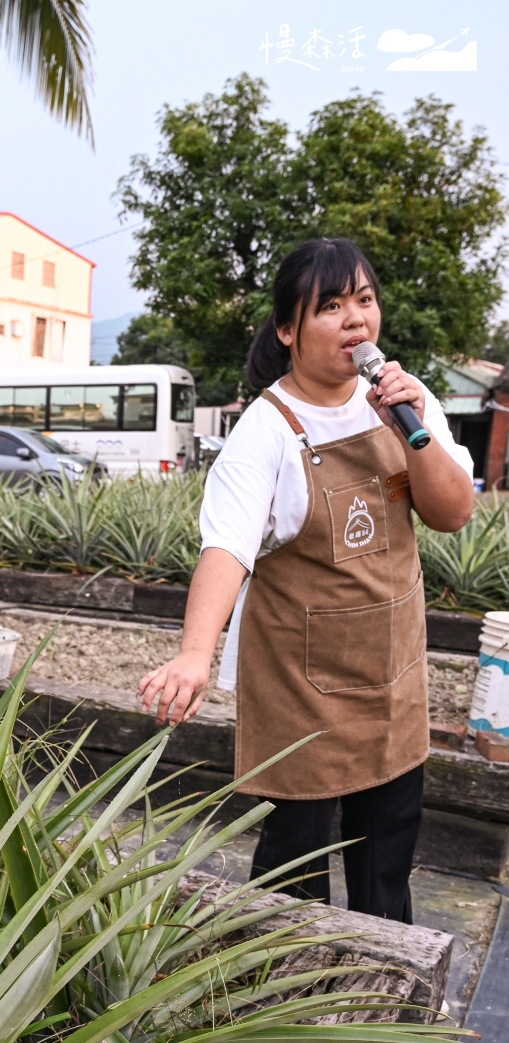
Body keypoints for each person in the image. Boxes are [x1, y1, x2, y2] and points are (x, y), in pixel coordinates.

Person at [138, 237, 474, 922]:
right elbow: (225, 549)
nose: (355, 319)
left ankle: (388, 1006)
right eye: (330, 306)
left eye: (363, 300)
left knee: (386, 864)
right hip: (302, 688)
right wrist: (194, 655)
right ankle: (283, 1000)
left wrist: (416, 433)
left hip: (390, 674)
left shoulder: (404, 402)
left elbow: (451, 512)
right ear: (287, 330)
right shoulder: (264, 430)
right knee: (293, 871)